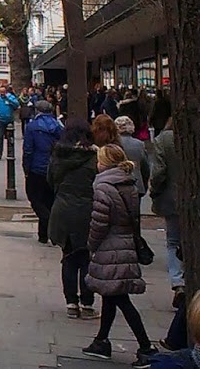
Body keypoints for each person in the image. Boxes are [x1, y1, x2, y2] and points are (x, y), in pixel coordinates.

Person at [82, 143, 155, 367]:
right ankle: (101, 341)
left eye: (99, 159)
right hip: (125, 242)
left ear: (104, 163)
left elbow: (99, 221)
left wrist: (91, 244)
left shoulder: (104, 186)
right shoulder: (128, 182)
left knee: (120, 298)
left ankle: (146, 347)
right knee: (111, 296)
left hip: (110, 246)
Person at [48, 122, 99, 320]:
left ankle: (71, 302)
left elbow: (50, 180)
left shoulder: (58, 156)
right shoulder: (94, 157)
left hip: (63, 208)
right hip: (87, 209)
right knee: (86, 258)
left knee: (68, 257)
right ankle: (87, 302)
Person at [148, 112, 183, 297]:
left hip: (172, 197)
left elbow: (159, 170)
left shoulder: (164, 140)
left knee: (173, 241)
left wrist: (154, 190)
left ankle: (178, 281)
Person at [24, 99, 65, 244]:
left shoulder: (32, 127)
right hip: (54, 167)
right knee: (49, 199)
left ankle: (46, 222)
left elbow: (28, 149)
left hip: (37, 167)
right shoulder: (59, 126)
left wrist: (26, 168)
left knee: (34, 197)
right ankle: (44, 234)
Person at [115, 116, 149, 197]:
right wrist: (144, 184)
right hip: (136, 184)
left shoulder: (113, 144)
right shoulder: (139, 144)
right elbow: (145, 167)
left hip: (117, 184)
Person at [0, 85, 20, 160]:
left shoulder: (10, 97)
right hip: (0, 120)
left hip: (9, 120)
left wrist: (8, 99)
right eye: (1, 92)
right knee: (0, 136)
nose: (2, 93)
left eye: (3, 92)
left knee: (10, 137)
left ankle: (10, 152)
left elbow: (16, 104)